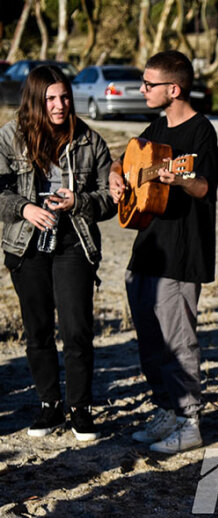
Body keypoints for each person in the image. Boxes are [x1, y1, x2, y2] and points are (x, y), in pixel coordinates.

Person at [108, 50, 218, 455]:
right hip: (147, 251)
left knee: (179, 341)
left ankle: (189, 422)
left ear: (173, 89)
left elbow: (205, 186)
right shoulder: (156, 126)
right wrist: (116, 176)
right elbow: (124, 160)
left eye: (148, 84)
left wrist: (182, 179)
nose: (141, 90)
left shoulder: (202, 131)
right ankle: (165, 410)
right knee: (150, 339)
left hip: (182, 253)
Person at [0, 65, 114, 441]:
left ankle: (80, 409)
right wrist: (25, 209)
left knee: (77, 329)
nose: (60, 104)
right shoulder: (8, 138)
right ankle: (49, 407)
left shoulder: (89, 141)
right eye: (50, 98)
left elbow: (109, 200)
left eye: (64, 96)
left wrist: (77, 200)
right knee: (37, 332)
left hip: (73, 243)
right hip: (27, 245)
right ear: (35, 100)